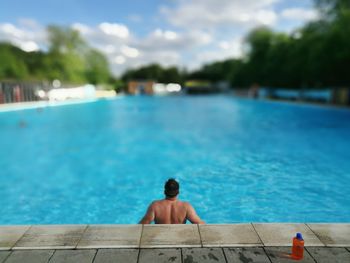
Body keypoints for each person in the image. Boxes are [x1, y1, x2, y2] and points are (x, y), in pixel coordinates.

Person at [139, 178, 205, 224]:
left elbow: (143, 224)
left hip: (160, 239)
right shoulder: (186, 207)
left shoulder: (155, 206)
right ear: (178, 192)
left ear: (164, 191)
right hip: (179, 239)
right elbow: (199, 223)